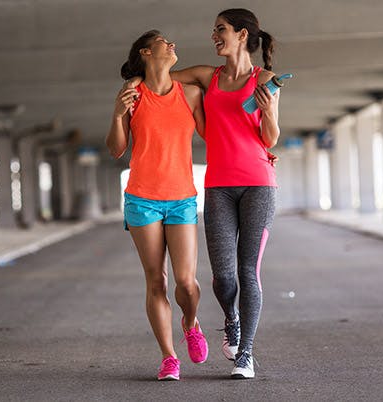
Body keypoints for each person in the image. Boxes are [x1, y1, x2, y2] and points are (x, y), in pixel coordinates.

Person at [126, 8, 280, 379]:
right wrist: (134, 85)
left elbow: (271, 138)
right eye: (215, 30)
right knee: (224, 278)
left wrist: (269, 111)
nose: (215, 35)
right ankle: (231, 318)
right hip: (217, 186)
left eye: (221, 29)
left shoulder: (268, 79)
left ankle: (245, 354)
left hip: (259, 182)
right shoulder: (205, 78)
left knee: (249, 271)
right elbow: (161, 78)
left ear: (242, 35)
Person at [106, 30, 208, 381]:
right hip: (142, 199)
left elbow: (216, 135)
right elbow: (116, 149)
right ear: (147, 52)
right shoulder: (131, 95)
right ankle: (169, 357)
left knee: (187, 282)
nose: (173, 43)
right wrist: (119, 114)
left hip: (181, 199)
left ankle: (191, 323)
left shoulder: (191, 94)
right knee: (156, 281)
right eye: (165, 41)